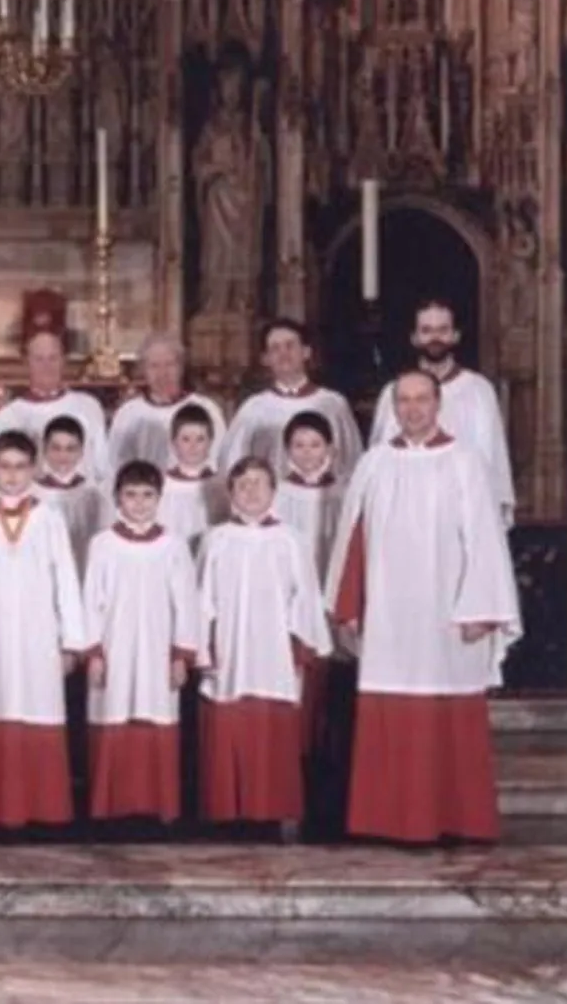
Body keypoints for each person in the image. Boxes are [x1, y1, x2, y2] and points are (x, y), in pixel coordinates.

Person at [325, 369, 522, 844]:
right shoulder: (374, 463)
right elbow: (354, 536)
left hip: (448, 612)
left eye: (422, 400)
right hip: (389, 614)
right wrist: (350, 601)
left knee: (450, 708)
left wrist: (481, 608)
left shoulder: (465, 462)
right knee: (387, 705)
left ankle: (458, 819)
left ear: (438, 405)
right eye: (404, 401)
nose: (413, 410)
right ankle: (385, 821)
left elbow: (485, 540)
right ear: (394, 408)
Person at [0, 430, 91, 829]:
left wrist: (71, 641)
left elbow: (65, 578)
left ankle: (41, 807)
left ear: (33, 469)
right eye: (4, 467)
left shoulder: (49, 519)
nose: (12, 476)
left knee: (37, 707)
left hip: (36, 635)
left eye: (20, 467)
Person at [197, 457, 331, 832]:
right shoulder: (216, 539)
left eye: (259, 483)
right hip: (230, 650)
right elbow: (202, 600)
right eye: (243, 484)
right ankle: (225, 815)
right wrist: (204, 650)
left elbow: (305, 597)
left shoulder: (291, 539)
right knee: (229, 722)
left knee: (275, 732)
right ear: (230, 493)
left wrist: (302, 646)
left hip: (275, 653)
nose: (251, 491)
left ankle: (278, 811)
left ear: (274, 491)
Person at [83, 461, 201, 824]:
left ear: (159, 499)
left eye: (148, 495)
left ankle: (160, 805)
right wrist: (94, 653)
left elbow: (186, 602)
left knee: (157, 713)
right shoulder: (102, 544)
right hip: (114, 647)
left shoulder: (173, 545)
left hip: (157, 649)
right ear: (118, 497)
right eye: (131, 495)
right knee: (113, 710)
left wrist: (181, 654)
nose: (139, 503)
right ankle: (108, 805)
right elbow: (91, 601)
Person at [369, 299, 515, 525]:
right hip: (407, 515)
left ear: (455, 335)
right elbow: (381, 458)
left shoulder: (478, 390)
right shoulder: (393, 392)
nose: (435, 338)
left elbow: (492, 456)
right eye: (426, 331)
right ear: (414, 337)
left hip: (462, 512)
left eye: (443, 330)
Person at [218, 319, 363, 480]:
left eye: (290, 345)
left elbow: (351, 460)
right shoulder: (253, 409)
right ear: (265, 359)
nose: (283, 354)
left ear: (306, 352)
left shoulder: (333, 404)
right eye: (275, 348)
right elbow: (233, 463)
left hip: (325, 498)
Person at [0, 330, 109, 480]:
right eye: (39, 359)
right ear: (27, 363)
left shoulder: (88, 406)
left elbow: (102, 466)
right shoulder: (9, 415)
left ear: (63, 361)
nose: (47, 366)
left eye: (53, 358)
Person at [106, 333, 227, 475]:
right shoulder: (128, 413)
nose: (162, 373)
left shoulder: (206, 408)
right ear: (143, 371)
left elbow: (220, 458)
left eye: (169, 364)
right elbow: (115, 464)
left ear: (181, 367)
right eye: (154, 366)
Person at [34, 415, 111, 578]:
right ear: (44, 449)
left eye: (71, 449)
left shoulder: (94, 495)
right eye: (56, 448)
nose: (63, 456)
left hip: (82, 570)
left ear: (82, 451)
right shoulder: (32, 494)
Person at [273, 411, 343, 581]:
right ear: (287, 450)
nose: (307, 452)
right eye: (299, 445)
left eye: (315, 445)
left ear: (329, 448)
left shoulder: (343, 492)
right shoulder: (278, 494)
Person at [157, 403, 229, 553]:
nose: (193, 446)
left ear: (211, 442)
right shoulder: (161, 486)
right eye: (186, 439)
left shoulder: (222, 486)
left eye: (200, 439)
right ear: (173, 442)